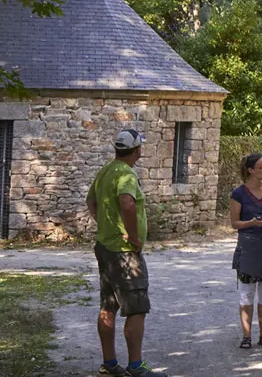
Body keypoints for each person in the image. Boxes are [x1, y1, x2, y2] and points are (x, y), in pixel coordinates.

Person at [85, 128, 167, 377]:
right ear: (137, 150)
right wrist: (133, 236)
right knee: (136, 308)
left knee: (108, 305)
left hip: (105, 247)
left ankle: (109, 364)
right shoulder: (127, 174)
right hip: (125, 253)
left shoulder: (106, 171)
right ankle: (136, 366)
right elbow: (127, 203)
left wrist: (106, 226)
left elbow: (91, 202)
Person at [229, 153, 262, 349]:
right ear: (250, 170)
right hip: (249, 244)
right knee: (246, 293)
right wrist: (250, 223)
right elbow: (234, 223)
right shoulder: (238, 193)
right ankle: (246, 336)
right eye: (261, 166)